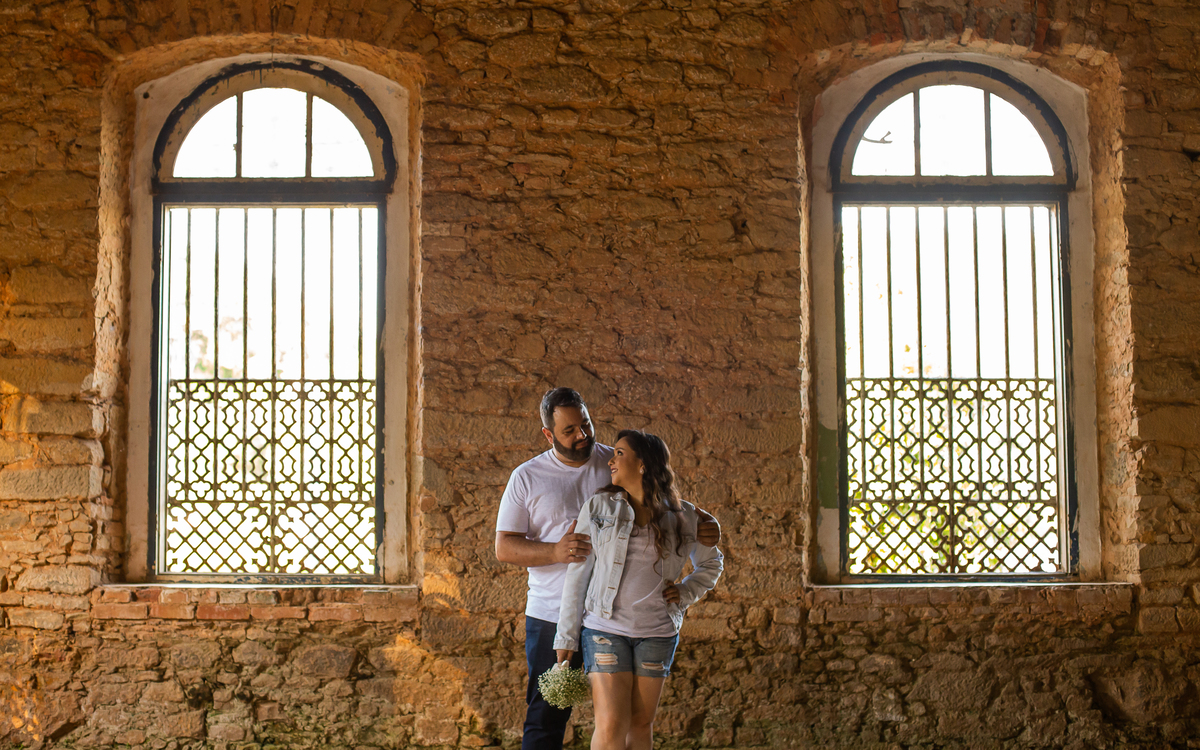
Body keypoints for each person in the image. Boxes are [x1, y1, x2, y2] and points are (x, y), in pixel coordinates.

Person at [496, 388, 720, 750]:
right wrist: (555, 551)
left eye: (585, 424)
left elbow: (659, 492)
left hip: (619, 616)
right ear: (548, 434)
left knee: (628, 721)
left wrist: (705, 521)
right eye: (569, 431)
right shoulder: (527, 476)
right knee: (547, 717)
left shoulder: (610, 460)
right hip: (554, 611)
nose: (582, 435)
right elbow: (503, 546)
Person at [553, 429, 723, 750]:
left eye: (619, 453)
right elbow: (578, 573)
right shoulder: (599, 508)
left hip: (657, 634)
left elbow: (712, 563)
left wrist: (685, 592)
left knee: (641, 724)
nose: (610, 459)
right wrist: (566, 637)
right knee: (612, 724)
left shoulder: (684, 516)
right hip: (605, 629)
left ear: (642, 463)